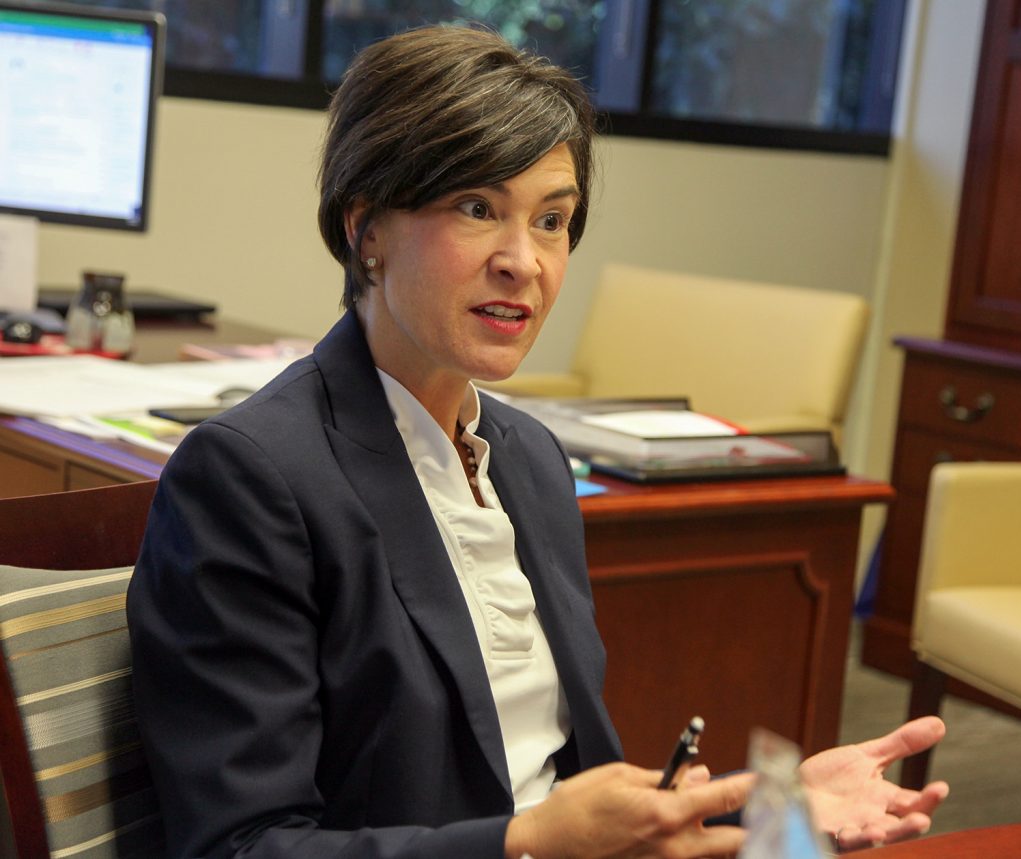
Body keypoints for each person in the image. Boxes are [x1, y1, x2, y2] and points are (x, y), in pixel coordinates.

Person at [126, 25, 949, 859]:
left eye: (553, 220)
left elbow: (565, 792)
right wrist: (524, 843)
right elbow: (239, 846)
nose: (525, 261)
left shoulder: (529, 456)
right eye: (478, 208)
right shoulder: (251, 477)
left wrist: (774, 811)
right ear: (367, 228)